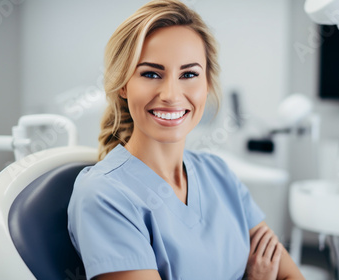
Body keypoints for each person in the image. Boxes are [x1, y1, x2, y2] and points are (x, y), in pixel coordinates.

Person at [67, 1, 304, 279]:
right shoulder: (105, 196)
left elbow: (289, 274)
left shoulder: (219, 174)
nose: (171, 94)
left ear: (208, 84)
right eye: (151, 74)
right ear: (123, 84)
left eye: (189, 74)